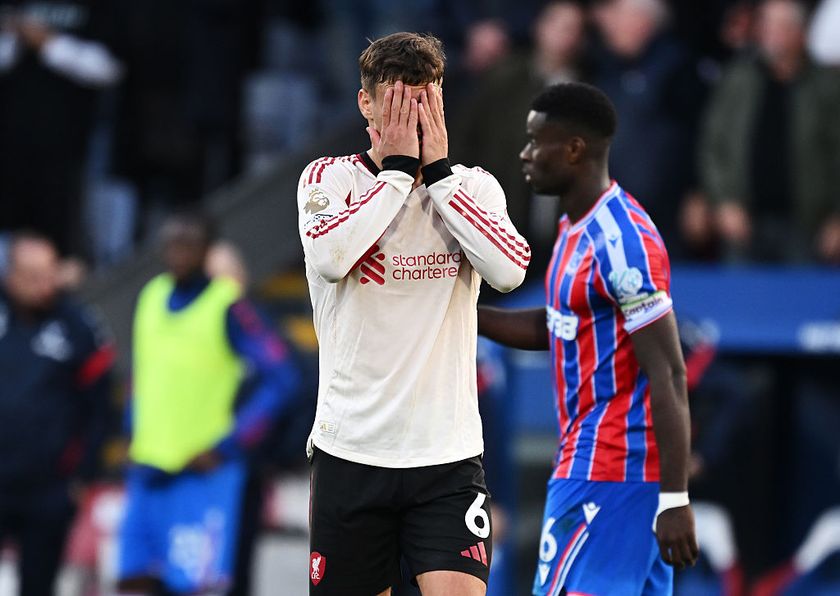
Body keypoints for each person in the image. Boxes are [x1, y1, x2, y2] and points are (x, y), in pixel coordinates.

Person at [297, 32, 530, 596]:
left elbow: (509, 271)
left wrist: (440, 175)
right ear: (365, 104)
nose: (408, 118)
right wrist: (397, 174)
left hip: (445, 458)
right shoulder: (329, 179)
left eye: (421, 101)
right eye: (395, 104)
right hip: (351, 452)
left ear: (441, 100)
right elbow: (331, 259)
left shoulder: (472, 187)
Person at [478, 83, 698, 595]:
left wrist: (675, 498)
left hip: (608, 472)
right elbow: (555, 326)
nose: (525, 153)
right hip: (606, 471)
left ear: (574, 149)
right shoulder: (574, 227)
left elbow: (669, 373)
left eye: (536, 141)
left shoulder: (623, 244)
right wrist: (462, 313)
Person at [116, 211, 299, 595]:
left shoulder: (228, 304)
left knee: (197, 586)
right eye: (172, 241)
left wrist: (228, 445)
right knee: (137, 582)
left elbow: (283, 378)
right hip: (149, 470)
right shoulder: (150, 295)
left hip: (201, 473)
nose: (179, 250)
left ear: (206, 249)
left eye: (190, 242)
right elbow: (143, 376)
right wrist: (132, 432)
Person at [0, 231, 114, 596]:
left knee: (38, 585)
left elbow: (101, 408)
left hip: (49, 488)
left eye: (49, 274)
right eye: (32, 276)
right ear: (10, 275)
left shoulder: (79, 325)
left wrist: (85, 474)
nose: (43, 285)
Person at [696, 0, 840, 264]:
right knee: (737, 300)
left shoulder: (826, 87)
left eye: (781, 25)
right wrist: (723, 200)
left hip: (807, 225)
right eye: (766, 24)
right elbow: (713, 145)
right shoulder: (737, 79)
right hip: (744, 221)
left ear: (801, 32)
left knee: (806, 301)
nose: (771, 33)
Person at [0, 0, 122, 256]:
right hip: (9, 142)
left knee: (59, 232)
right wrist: (13, 38)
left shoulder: (96, 8)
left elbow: (110, 69)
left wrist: (49, 43)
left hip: (66, 147)